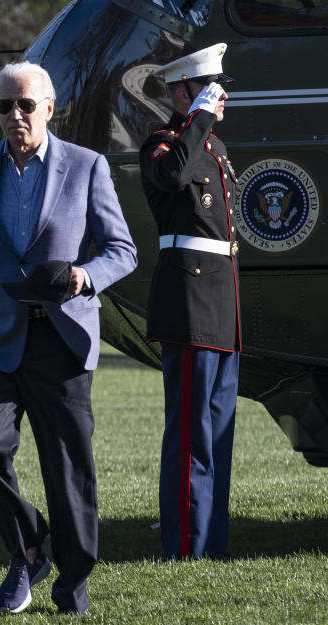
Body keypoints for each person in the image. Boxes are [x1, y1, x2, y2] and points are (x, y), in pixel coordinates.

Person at [0, 61, 137, 615]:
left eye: (25, 104)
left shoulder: (87, 166)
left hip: (62, 339)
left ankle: (72, 586)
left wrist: (85, 276)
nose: (15, 115)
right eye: (4, 106)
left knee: (67, 469)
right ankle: (28, 549)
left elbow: (121, 250)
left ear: (50, 109)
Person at [139, 43, 240, 560]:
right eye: (207, 87)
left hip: (222, 303)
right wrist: (197, 118)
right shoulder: (162, 144)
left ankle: (212, 546)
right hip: (188, 302)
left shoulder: (213, 148)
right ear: (182, 93)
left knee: (217, 436)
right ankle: (184, 547)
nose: (219, 96)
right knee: (189, 437)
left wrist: (202, 123)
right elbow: (174, 176)